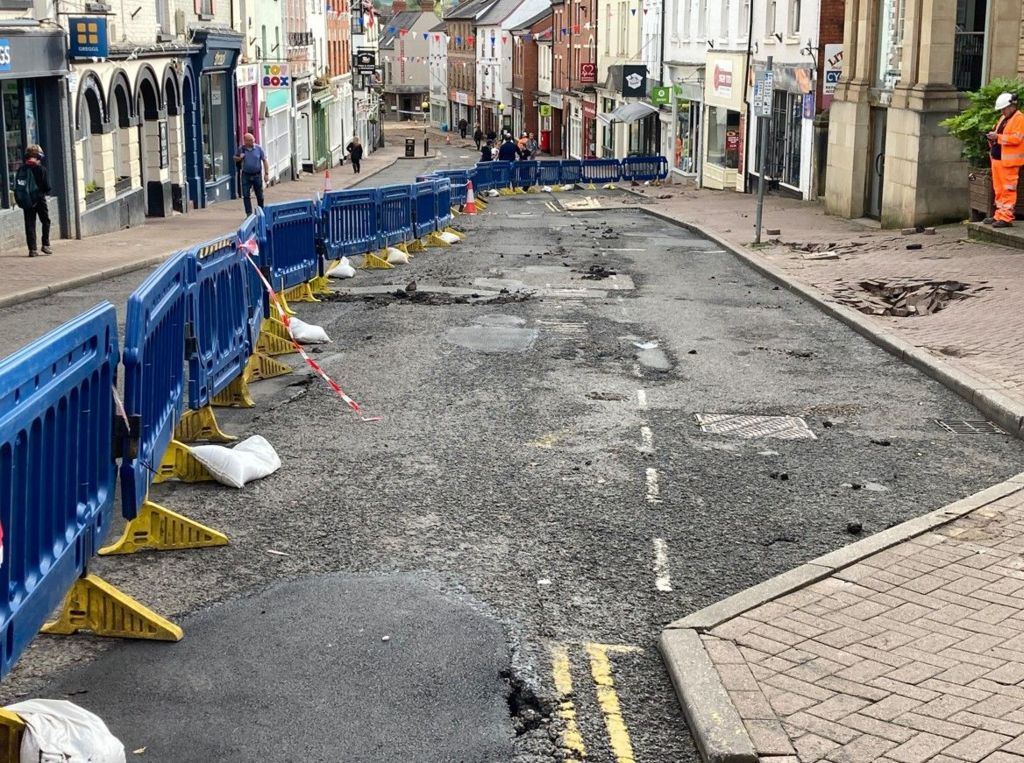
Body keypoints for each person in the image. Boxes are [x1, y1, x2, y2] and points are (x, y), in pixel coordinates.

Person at [986, 92, 1024, 228]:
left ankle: (1006, 217)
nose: (1002, 111)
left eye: (1004, 109)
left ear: (1011, 106)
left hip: (1009, 162)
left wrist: (998, 137)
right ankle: (999, 215)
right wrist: (992, 137)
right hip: (998, 159)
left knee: (1008, 190)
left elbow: (1017, 138)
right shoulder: (1004, 117)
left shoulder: (1019, 119)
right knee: (999, 189)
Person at [14, 145, 51, 257]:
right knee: (45, 221)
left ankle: (32, 249)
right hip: (39, 199)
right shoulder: (41, 169)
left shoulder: (21, 169)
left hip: (27, 201)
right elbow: (47, 187)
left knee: (29, 224)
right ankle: (45, 244)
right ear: (39, 156)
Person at [234, 132, 269, 216]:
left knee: (259, 195)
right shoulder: (241, 149)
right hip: (246, 174)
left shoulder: (258, 148)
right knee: (246, 195)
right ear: (245, 141)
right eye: (250, 140)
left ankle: (261, 212)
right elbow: (235, 158)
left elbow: (264, 160)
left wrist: (266, 173)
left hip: (257, 174)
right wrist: (240, 158)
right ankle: (249, 213)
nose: (252, 142)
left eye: (253, 140)